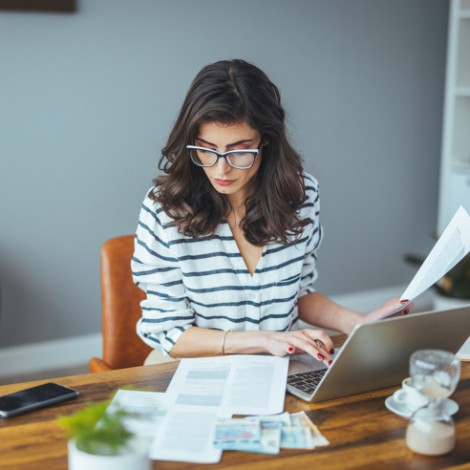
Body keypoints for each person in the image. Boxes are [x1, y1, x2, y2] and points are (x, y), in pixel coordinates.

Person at [131, 59, 410, 367]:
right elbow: (169, 332)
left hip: (278, 366)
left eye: (239, 150)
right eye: (207, 149)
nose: (221, 168)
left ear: (266, 139)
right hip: (194, 368)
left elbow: (299, 293)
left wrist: (357, 324)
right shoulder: (164, 209)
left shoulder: (300, 196)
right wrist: (264, 340)